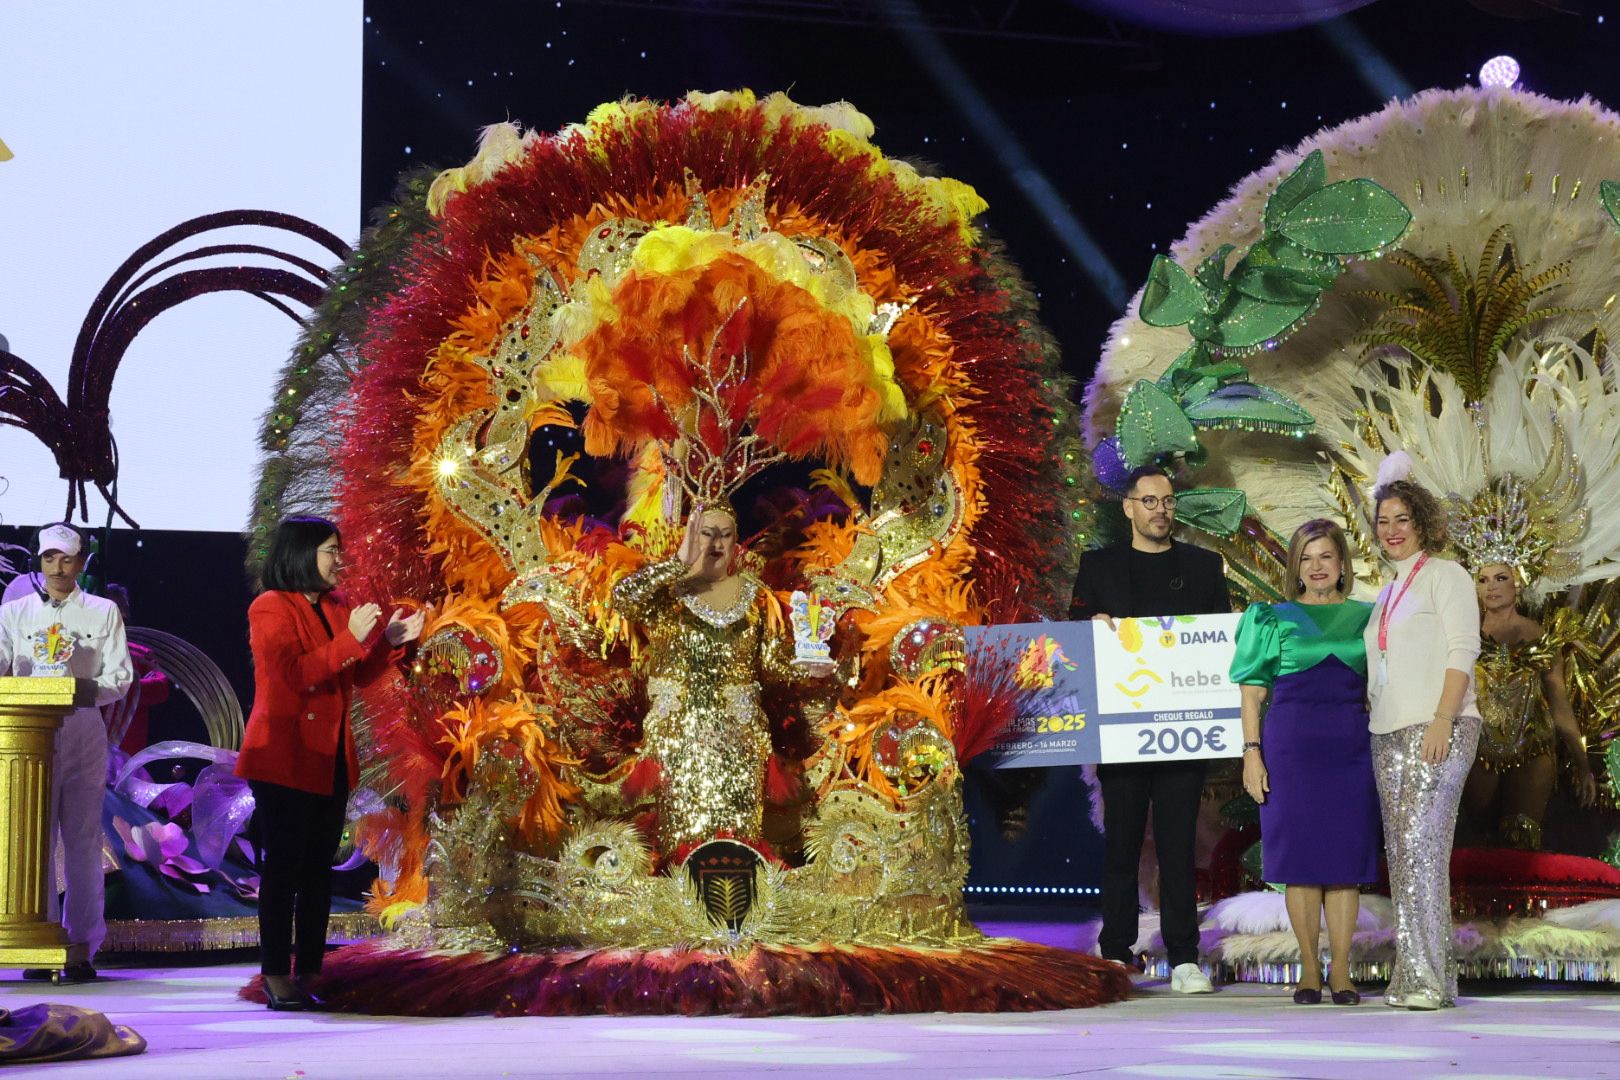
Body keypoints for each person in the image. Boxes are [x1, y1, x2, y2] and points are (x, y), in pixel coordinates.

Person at [235, 516, 424, 1011]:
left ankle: (312, 971)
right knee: (284, 869)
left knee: (318, 871)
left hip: (331, 758)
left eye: (340, 550)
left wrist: (388, 640)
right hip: (284, 756)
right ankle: (276, 972)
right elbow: (294, 675)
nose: (340, 560)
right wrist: (353, 639)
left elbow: (356, 676)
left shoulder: (338, 608)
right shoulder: (269, 607)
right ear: (300, 554)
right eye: (329, 550)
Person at [1073, 464, 1231, 993]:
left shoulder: (1205, 568)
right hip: (1121, 731)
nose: (1160, 510)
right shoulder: (1097, 568)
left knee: (1178, 845)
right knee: (1121, 845)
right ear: (1128, 507)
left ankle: (1184, 957)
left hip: (1182, 732)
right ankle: (1115, 953)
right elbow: (1071, 645)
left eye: (1167, 501)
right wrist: (1088, 627)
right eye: (1149, 501)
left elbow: (1222, 642)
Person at [612, 503, 831, 861]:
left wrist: (808, 668)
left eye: (724, 534)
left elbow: (770, 665)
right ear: (692, 537)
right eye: (706, 533)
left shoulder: (755, 598)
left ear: (735, 542)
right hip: (681, 738)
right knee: (683, 843)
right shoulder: (667, 595)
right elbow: (623, 600)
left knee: (739, 844)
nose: (715, 542)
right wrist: (675, 564)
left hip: (740, 739)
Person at [1231, 519, 1377, 1005]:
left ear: (1342, 566)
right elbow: (1252, 695)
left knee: (1342, 864)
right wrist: (1252, 754)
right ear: (1296, 567)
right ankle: (1309, 969)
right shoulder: (1271, 617)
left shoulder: (1368, 617)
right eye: (1307, 558)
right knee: (1300, 863)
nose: (1316, 567)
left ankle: (1342, 971)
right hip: (1290, 749)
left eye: (1326, 557)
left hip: (1351, 748)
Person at [1363, 454, 1481, 1010]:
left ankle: (1430, 979)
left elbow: (1463, 651)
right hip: (1387, 732)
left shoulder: (1446, 575)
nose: (1391, 530)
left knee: (1423, 848)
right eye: (1383, 521)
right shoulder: (1386, 592)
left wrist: (1442, 718)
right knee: (1404, 854)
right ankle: (1415, 976)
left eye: (1402, 520)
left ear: (1423, 523)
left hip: (1440, 726)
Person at [0, 522, 133, 983]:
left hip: (81, 727)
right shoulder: (13, 612)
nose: (58, 567)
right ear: (40, 562)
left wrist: (76, 691)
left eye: (67, 558)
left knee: (81, 840)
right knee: (31, 838)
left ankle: (81, 948)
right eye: (49, 558)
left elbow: (120, 677)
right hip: (28, 732)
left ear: (80, 563)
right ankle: (34, 940)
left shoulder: (102, 612)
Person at [1460, 563, 1597, 848]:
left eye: (1500, 578)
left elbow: (1559, 703)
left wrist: (1583, 765)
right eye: (1483, 580)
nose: (1491, 587)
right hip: (1478, 746)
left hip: (1533, 744)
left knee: (1521, 838)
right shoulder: (1463, 633)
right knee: (1479, 837)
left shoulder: (1541, 637)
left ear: (1518, 584)